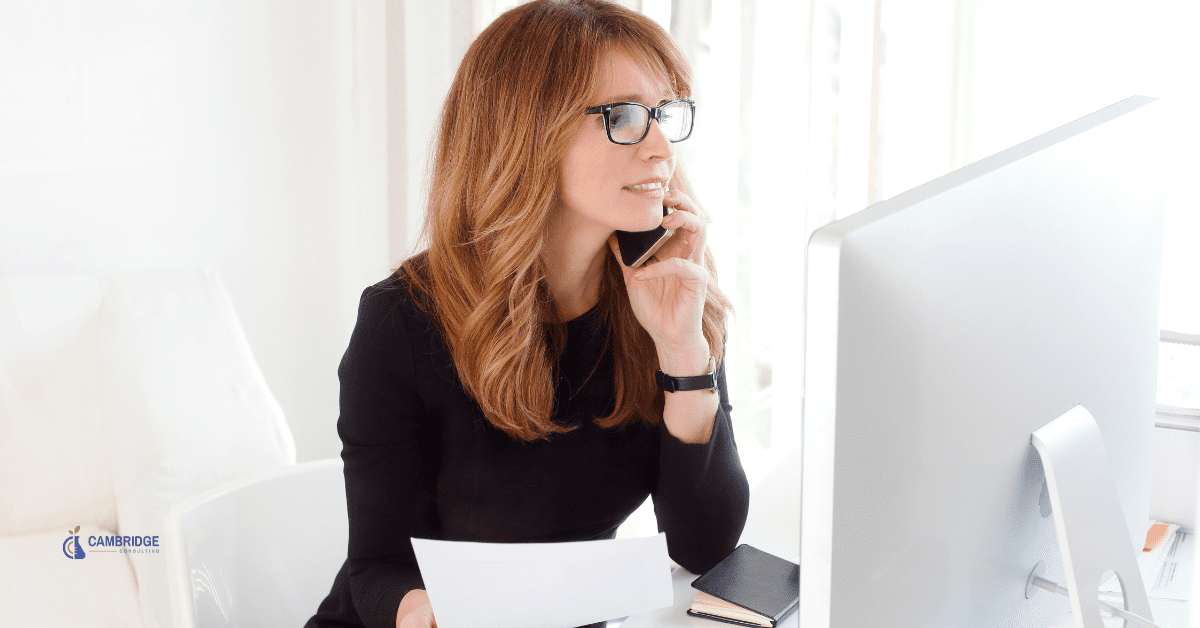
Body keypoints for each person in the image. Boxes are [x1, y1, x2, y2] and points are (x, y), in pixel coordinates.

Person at [305, 2, 749, 627]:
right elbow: (377, 573)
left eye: (664, 115)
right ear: (527, 133)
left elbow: (704, 547)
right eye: (622, 117)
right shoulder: (400, 322)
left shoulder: (664, 291)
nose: (660, 148)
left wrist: (682, 351)